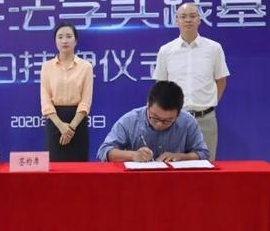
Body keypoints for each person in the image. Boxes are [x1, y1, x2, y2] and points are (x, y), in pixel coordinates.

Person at [153, 2, 229, 161]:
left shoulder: (214, 48)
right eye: (183, 16)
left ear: (199, 20)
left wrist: (210, 103)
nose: (188, 20)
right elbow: (161, 85)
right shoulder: (166, 50)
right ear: (176, 20)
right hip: (175, 119)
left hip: (206, 119)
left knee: (206, 165)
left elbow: (221, 80)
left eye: (192, 16)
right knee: (173, 165)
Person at [97, 81, 208, 162]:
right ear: (148, 105)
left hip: (176, 181)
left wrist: (181, 157)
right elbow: (104, 152)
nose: (159, 124)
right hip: (137, 181)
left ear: (178, 114)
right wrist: (133, 155)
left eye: (168, 120)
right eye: (155, 117)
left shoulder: (188, 122)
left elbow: (202, 153)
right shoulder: (130, 120)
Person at [40, 22, 94, 162]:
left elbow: (85, 101)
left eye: (69, 36)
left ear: (75, 41)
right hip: (55, 122)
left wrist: (71, 128)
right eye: (60, 37)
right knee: (54, 168)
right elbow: (46, 101)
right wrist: (61, 126)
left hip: (78, 122)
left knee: (79, 169)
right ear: (55, 41)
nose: (64, 40)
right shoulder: (47, 67)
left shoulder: (86, 67)